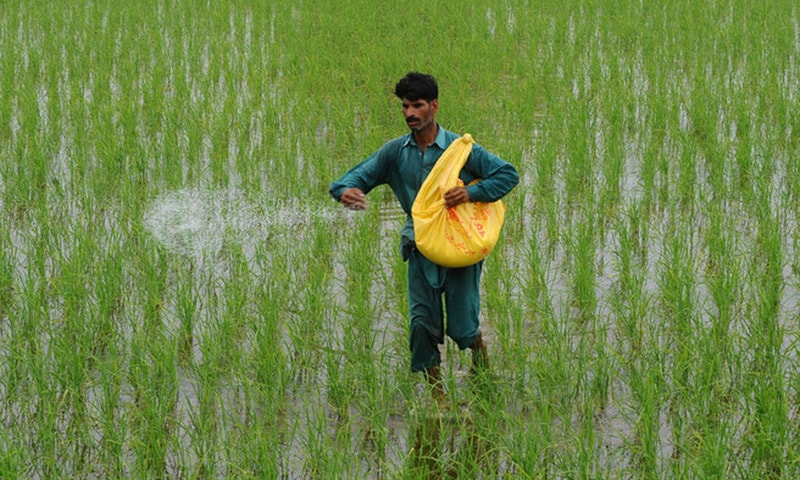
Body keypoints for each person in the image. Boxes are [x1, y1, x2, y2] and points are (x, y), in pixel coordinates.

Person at [329, 72, 519, 406]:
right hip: (419, 247)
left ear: (434, 106)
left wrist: (471, 192)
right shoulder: (395, 153)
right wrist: (347, 190)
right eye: (404, 106)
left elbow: (508, 174)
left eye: (417, 106)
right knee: (421, 325)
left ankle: (483, 368)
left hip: (459, 248)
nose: (409, 113)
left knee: (462, 327)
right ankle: (439, 398)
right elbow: (356, 176)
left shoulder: (460, 150)